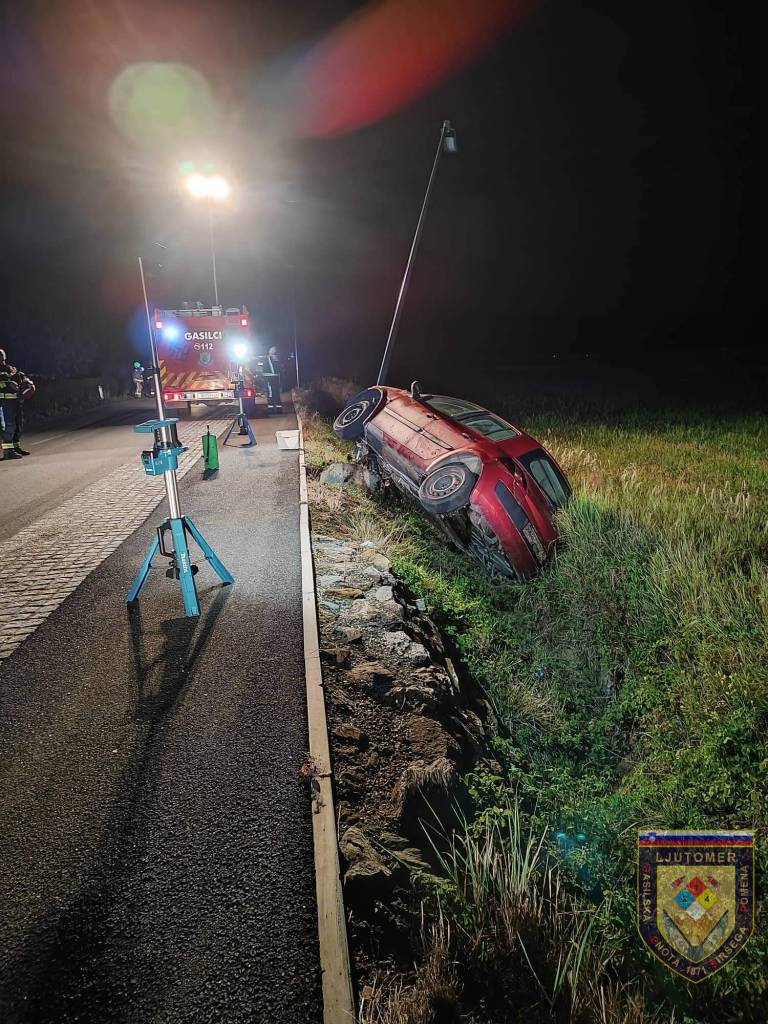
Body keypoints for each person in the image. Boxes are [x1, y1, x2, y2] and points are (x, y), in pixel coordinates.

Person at [0, 348, 23, 461]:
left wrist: (26, 382)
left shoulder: (10, 368)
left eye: (1, 354)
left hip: (12, 401)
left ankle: (11, 449)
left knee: (13, 426)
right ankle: (8, 452)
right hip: (3, 402)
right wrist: (8, 384)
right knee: (7, 426)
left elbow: (19, 377)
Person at [11, 365, 35, 456]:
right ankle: (9, 450)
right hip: (6, 404)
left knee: (18, 426)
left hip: (17, 403)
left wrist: (26, 382)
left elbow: (28, 383)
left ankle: (16, 447)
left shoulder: (14, 372)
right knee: (9, 427)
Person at [257, 346, 283, 414]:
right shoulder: (266, 359)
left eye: (274, 350)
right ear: (269, 351)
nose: (274, 351)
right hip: (269, 379)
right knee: (271, 394)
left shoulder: (276, 358)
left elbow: (279, 369)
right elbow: (261, 367)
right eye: (272, 350)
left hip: (275, 378)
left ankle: (278, 409)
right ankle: (272, 409)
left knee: (276, 393)